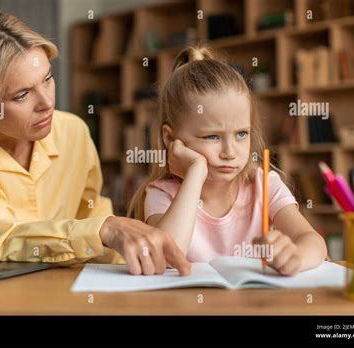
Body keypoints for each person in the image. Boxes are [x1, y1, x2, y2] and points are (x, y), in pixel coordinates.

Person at [0, 10, 191, 276]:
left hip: (59, 295)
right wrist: (102, 230)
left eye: (48, 79)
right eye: (22, 95)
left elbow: (94, 221)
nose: (46, 103)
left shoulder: (73, 132)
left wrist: (138, 267)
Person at [128, 45, 327, 276]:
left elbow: (313, 241)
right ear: (170, 138)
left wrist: (296, 257)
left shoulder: (264, 185)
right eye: (212, 136)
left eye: (241, 134)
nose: (230, 152)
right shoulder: (161, 194)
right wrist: (195, 172)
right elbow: (166, 256)